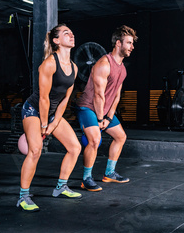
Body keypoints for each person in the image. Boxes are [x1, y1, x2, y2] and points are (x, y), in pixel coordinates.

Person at [17, 23, 82, 212]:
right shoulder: (49, 64)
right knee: (35, 151)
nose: (71, 35)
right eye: (66, 33)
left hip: (52, 112)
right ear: (56, 41)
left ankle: (61, 187)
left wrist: (53, 124)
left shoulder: (74, 68)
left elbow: (65, 99)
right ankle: (23, 196)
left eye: (71, 32)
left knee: (75, 147)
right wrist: (45, 125)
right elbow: (43, 98)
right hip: (34, 110)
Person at [76, 25, 137, 191]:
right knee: (95, 140)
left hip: (104, 111)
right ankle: (86, 179)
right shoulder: (104, 64)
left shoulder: (122, 69)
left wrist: (109, 117)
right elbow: (98, 95)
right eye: (129, 43)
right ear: (118, 43)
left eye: (132, 43)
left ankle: (109, 173)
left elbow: (117, 96)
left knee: (120, 137)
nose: (132, 47)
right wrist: (100, 119)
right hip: (88, 108)